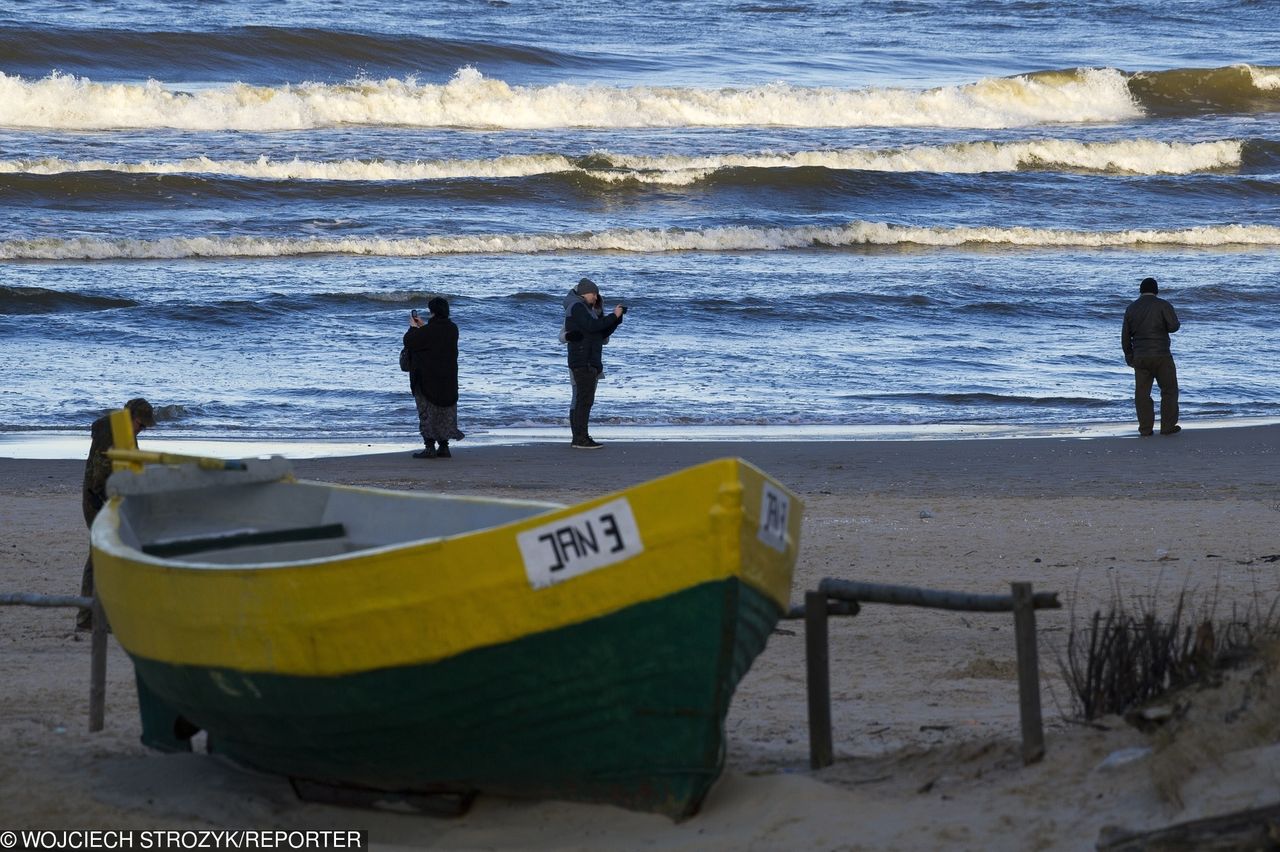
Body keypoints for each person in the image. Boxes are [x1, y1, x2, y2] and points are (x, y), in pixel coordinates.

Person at [80, 397, 155, 630]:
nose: (141, 430)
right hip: (98, 501)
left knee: (109, 555)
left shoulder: (124, 432)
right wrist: (109, 505)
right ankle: (87, 619)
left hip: (111, 500)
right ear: (130, 417)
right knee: (101, 556)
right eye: (140, 425)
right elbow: (98, 478)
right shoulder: (110, 433)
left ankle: (98, 616)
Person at [562, 277, 624, 449]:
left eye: (597, 295)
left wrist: (616, 320)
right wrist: (613, 316)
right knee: (584, 400)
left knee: (583, 399)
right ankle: (580, 438)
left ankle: (580, 437)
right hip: (583, 359)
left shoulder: (585, 309)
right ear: (584, 293)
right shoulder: (577, 307)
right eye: (593, 294)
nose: (595, 298)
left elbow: (600, 333)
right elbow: (592, 326)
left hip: (589, 359)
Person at [404, 296, 464, 458]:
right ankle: (444, 447)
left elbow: (409, 342)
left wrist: (413, 327)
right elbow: (436, 337)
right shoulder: (453, 328)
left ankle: (429, 447)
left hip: (427, 379)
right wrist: (424, 327)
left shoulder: (428, 331)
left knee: (426, 412)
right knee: (446, 412)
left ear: (432, 312)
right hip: (448, 379)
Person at [1121, 276, 1181, 436]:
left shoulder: (1131, 308)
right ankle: (1167, 426)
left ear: (1141, 290)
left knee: (1142, 394)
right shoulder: (1163, 305)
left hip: (1140, 356)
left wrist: (1129, 355)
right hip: (1162, 355)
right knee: (1169, 390)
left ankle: (1146, 428)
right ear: (1156, 290)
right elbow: (1174, 326)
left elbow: (1125, 336)